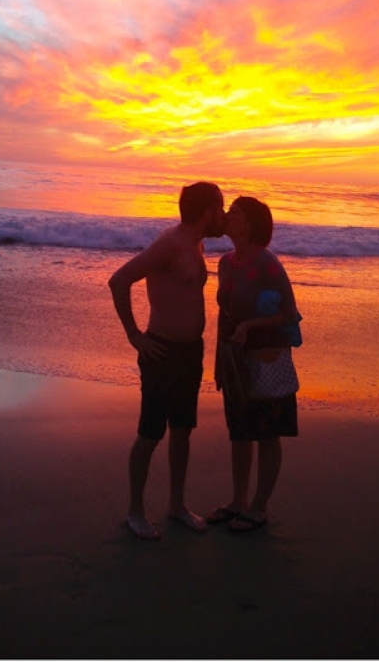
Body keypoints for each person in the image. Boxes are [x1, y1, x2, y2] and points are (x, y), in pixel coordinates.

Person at [108, 182, 226, 540]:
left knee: (182, 431)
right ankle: (135, 512)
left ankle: (176, 505)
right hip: (161, 352)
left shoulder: (197, 243)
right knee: (149, 433)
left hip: (191, 352)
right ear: (207, 211)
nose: (223, 215)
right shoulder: (170, 244)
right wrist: (135, 336)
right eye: (220, 208)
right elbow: (119, 281)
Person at [207, 196, 300, 533]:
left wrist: (252, 326)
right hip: (235, 358)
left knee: (267, 432)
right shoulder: (225, 262)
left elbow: (289, 313)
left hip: (266, 357)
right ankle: (238, 502)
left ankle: (259, 508)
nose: (228, 216)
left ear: (249, 223)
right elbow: (225, 315)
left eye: (235, 212)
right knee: (240, 432)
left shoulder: (267, 263)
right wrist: (219, 361)